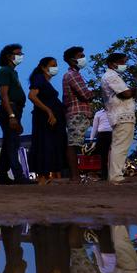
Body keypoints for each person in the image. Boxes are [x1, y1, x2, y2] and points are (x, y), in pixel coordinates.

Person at [0, 44, 32, 185]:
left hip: (15, 110)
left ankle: (3, 175)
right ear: (9, 56)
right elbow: (4, 95)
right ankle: (18, 175)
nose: (21, 56)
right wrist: (11, 116)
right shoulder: (4, 71)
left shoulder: (12, 72)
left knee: (8, 143)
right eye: (18, 53)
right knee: (12, 143)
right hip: (9, 109)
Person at [28, 56, 67, 184]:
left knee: (50, 146)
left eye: (56, 65)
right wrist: (48, 111)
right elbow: (32, 96)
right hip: (44, 119)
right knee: (44, 145)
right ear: (43, 67)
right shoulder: (39, 79)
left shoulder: (46, 82)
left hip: (53, 120)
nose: (55, 68)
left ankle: (48, 175)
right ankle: (42, 177)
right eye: (52, 65)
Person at [101, 53, 137, 183]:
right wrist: (133, 90)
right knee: (120, 146)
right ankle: (116, 176)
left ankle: (115, 175)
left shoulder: (111, 75)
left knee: (118, 146)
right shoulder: (111, 76)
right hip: (122, 115)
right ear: (112, 63)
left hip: (120, 115)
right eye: (122, 62)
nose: (124, 65)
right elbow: (125, 93)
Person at [61, 46, 93, 184]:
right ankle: (75, 176)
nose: (83, 58)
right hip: (78, 113)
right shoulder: (73, 75)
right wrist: (95, 92)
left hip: (74, 112)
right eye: (80, 56)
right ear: (71, 60)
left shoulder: (71, 74)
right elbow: (85, 94)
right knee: (73, 145)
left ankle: (75, 176)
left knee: (74, 144)